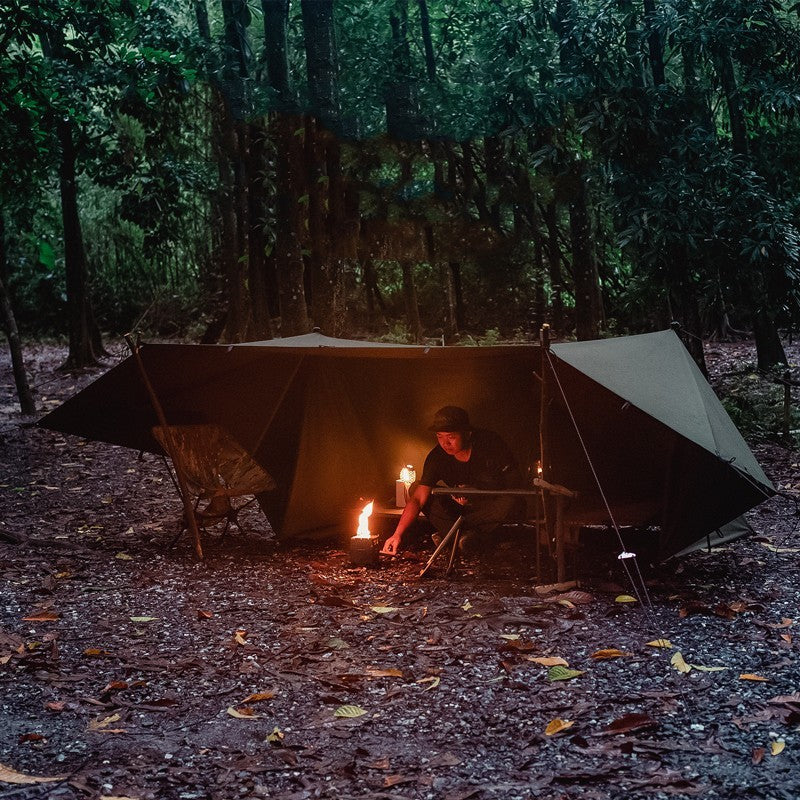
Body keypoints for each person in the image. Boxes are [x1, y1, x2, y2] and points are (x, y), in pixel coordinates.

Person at [381, 406, 523, 558]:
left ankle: (455, 535)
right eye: (440, 436)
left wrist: (478, 491)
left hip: (489, 508)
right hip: (458, 510)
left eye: (451, 437)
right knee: (416, 489)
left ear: (467, 433)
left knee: (512, 501)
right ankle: (466, 537)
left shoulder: (490, 444)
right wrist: (397, 534)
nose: (445, 443)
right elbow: (418, 498)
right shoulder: (437, 457)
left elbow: (515, 483)